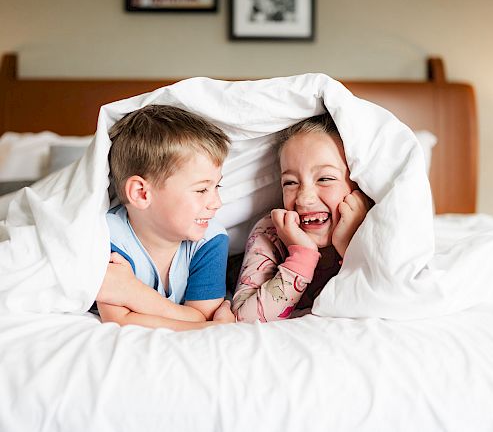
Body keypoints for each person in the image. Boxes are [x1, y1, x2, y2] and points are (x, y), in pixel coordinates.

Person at [96, 105, 235, 331]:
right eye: (201, 190)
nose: (216, 203)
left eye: (216, 186)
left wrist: (131, 291)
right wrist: (201, 323)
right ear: (142, 193)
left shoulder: (210, 239)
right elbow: (118, 320)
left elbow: (202, 316)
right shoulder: (109, 238)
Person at [232, 114, 371, 322]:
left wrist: (349, 248)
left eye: (325, 179)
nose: (304, 199)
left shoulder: (373, 228)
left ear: (358, 186)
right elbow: (242, 319)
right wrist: (302, 257)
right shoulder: (272, 231)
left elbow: (375, 304)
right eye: (290, 182)